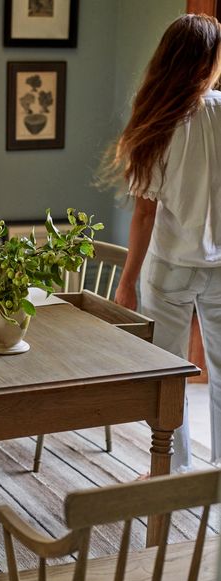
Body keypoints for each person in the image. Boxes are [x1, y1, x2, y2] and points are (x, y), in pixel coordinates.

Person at [105, 13, 221, 473]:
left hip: (170, 265)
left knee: (169, 376)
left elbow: (145, 212)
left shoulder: (156, 114)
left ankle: (173, 478)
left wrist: (127, 281)